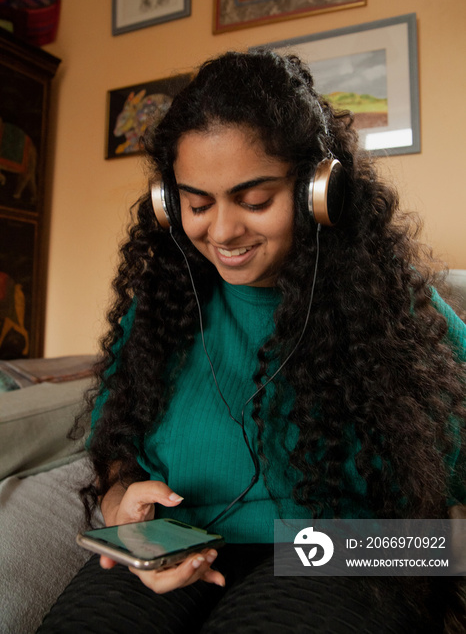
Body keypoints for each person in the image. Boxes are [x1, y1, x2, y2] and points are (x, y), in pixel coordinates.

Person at [37, 50, 466, 633]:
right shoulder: (164, 305)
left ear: (320, 191)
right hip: (182, 540)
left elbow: (441, 531)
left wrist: (417, 549)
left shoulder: (396, 302)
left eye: (255, 201)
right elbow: (115, 437)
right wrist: (121, 508)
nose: (223, 231)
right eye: (196, 203)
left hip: (344, 549)